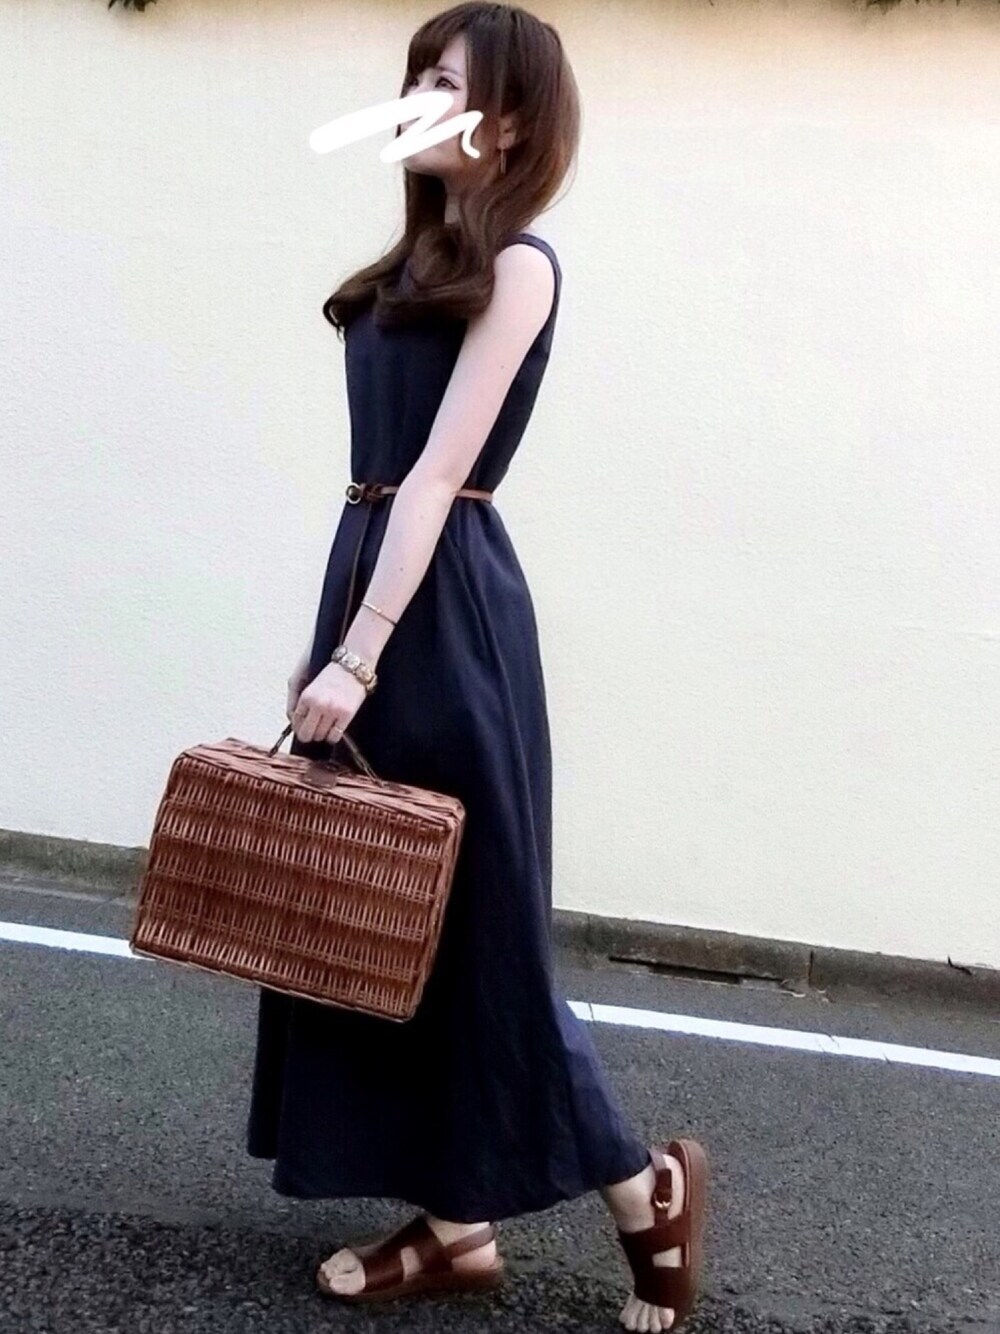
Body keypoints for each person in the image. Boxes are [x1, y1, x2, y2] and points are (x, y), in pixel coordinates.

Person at [245, 5, 709, 1329]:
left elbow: (439, 477)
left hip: (445, 609)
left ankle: (647, 1190)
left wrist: (360, 649)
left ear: (508, 124)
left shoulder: (520, 267)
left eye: (443, 81)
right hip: (383, 577)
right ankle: (456, 1227)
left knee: (477, 926)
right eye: (414, 75)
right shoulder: (417, 263)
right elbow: (380, 484)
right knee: (371, 909)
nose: (415, 96)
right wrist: (330, 636)